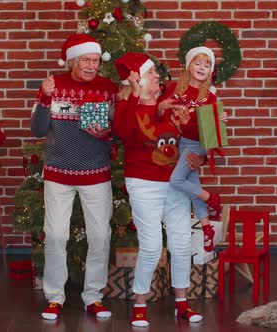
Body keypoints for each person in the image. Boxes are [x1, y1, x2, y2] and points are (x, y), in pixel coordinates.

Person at [113, 52, 205, 328]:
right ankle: (139, 304)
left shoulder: (175, 105)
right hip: (143, 184)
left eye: (155, 72)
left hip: (175, 184)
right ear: (138, 79)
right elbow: (124, 131)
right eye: (151, 72)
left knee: (180, 244)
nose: (157, 76)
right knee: (152, 247)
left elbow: (197, 139)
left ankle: (182, 303)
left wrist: (201, 158)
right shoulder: (128, 107)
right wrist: (132, 96)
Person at [31, 33, 118, 321]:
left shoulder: (108, 88)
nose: (91, 65)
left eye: (95, 60)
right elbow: (38, 129)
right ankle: (54, 296)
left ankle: (93, 296)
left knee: (101, 235)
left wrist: (107, 134)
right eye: (86, 60)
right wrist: (44, 97)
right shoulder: (53, 85)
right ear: (72, 61)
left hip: (96, 172)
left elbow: (118, 130)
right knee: (55, 235)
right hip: (58, 172)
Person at [157, 46, 227, 252]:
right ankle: (207, 228)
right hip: (178, 143)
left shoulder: (210, 98)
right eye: (198, 63)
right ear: (188, 66)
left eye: (207, 65)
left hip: (196, 145)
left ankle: (209, 197)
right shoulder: (174, 90)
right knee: (191, 183)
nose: (202, 68)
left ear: (210, 71)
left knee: (176, 180)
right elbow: (160, 114)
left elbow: (214, 128)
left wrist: (221, 119)